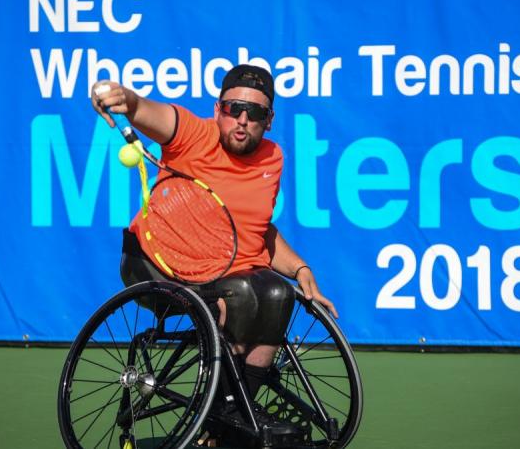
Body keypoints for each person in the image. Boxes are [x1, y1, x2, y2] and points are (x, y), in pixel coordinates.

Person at [92, 64, 338, 442]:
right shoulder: (192, 133)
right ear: (217, 109)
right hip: (154, 264)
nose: (242, 120)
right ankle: (225, 413)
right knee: (238, 295)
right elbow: (143, 109)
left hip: (220, 270)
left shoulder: (272, 159)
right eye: (233, 108)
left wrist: (300, 268)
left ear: (268, 121)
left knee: (277, 293)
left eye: (254, 113)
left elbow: (258, 230)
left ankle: (232, 412)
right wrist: (122, 97)